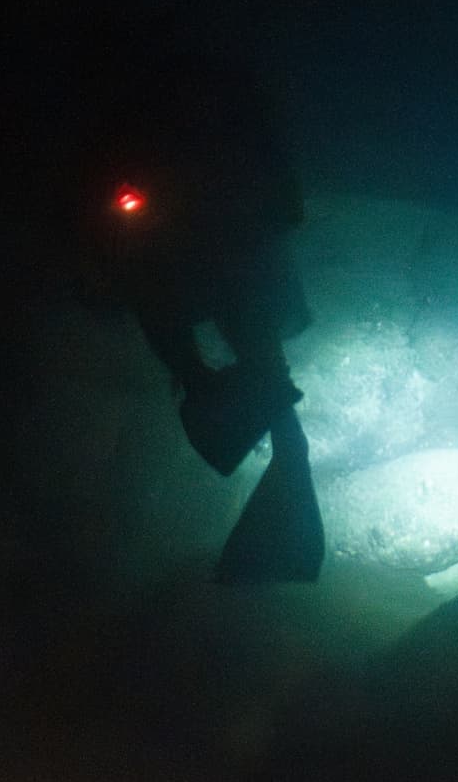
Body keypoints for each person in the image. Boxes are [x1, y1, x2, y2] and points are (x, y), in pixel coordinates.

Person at [75, 35, 324, 583]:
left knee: (244, 353)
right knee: (250, 358)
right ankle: (282, 446)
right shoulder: (190, 113)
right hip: (208, 250)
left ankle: (281, 448)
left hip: (216, 249)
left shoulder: (167, 114)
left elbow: (278, 201)